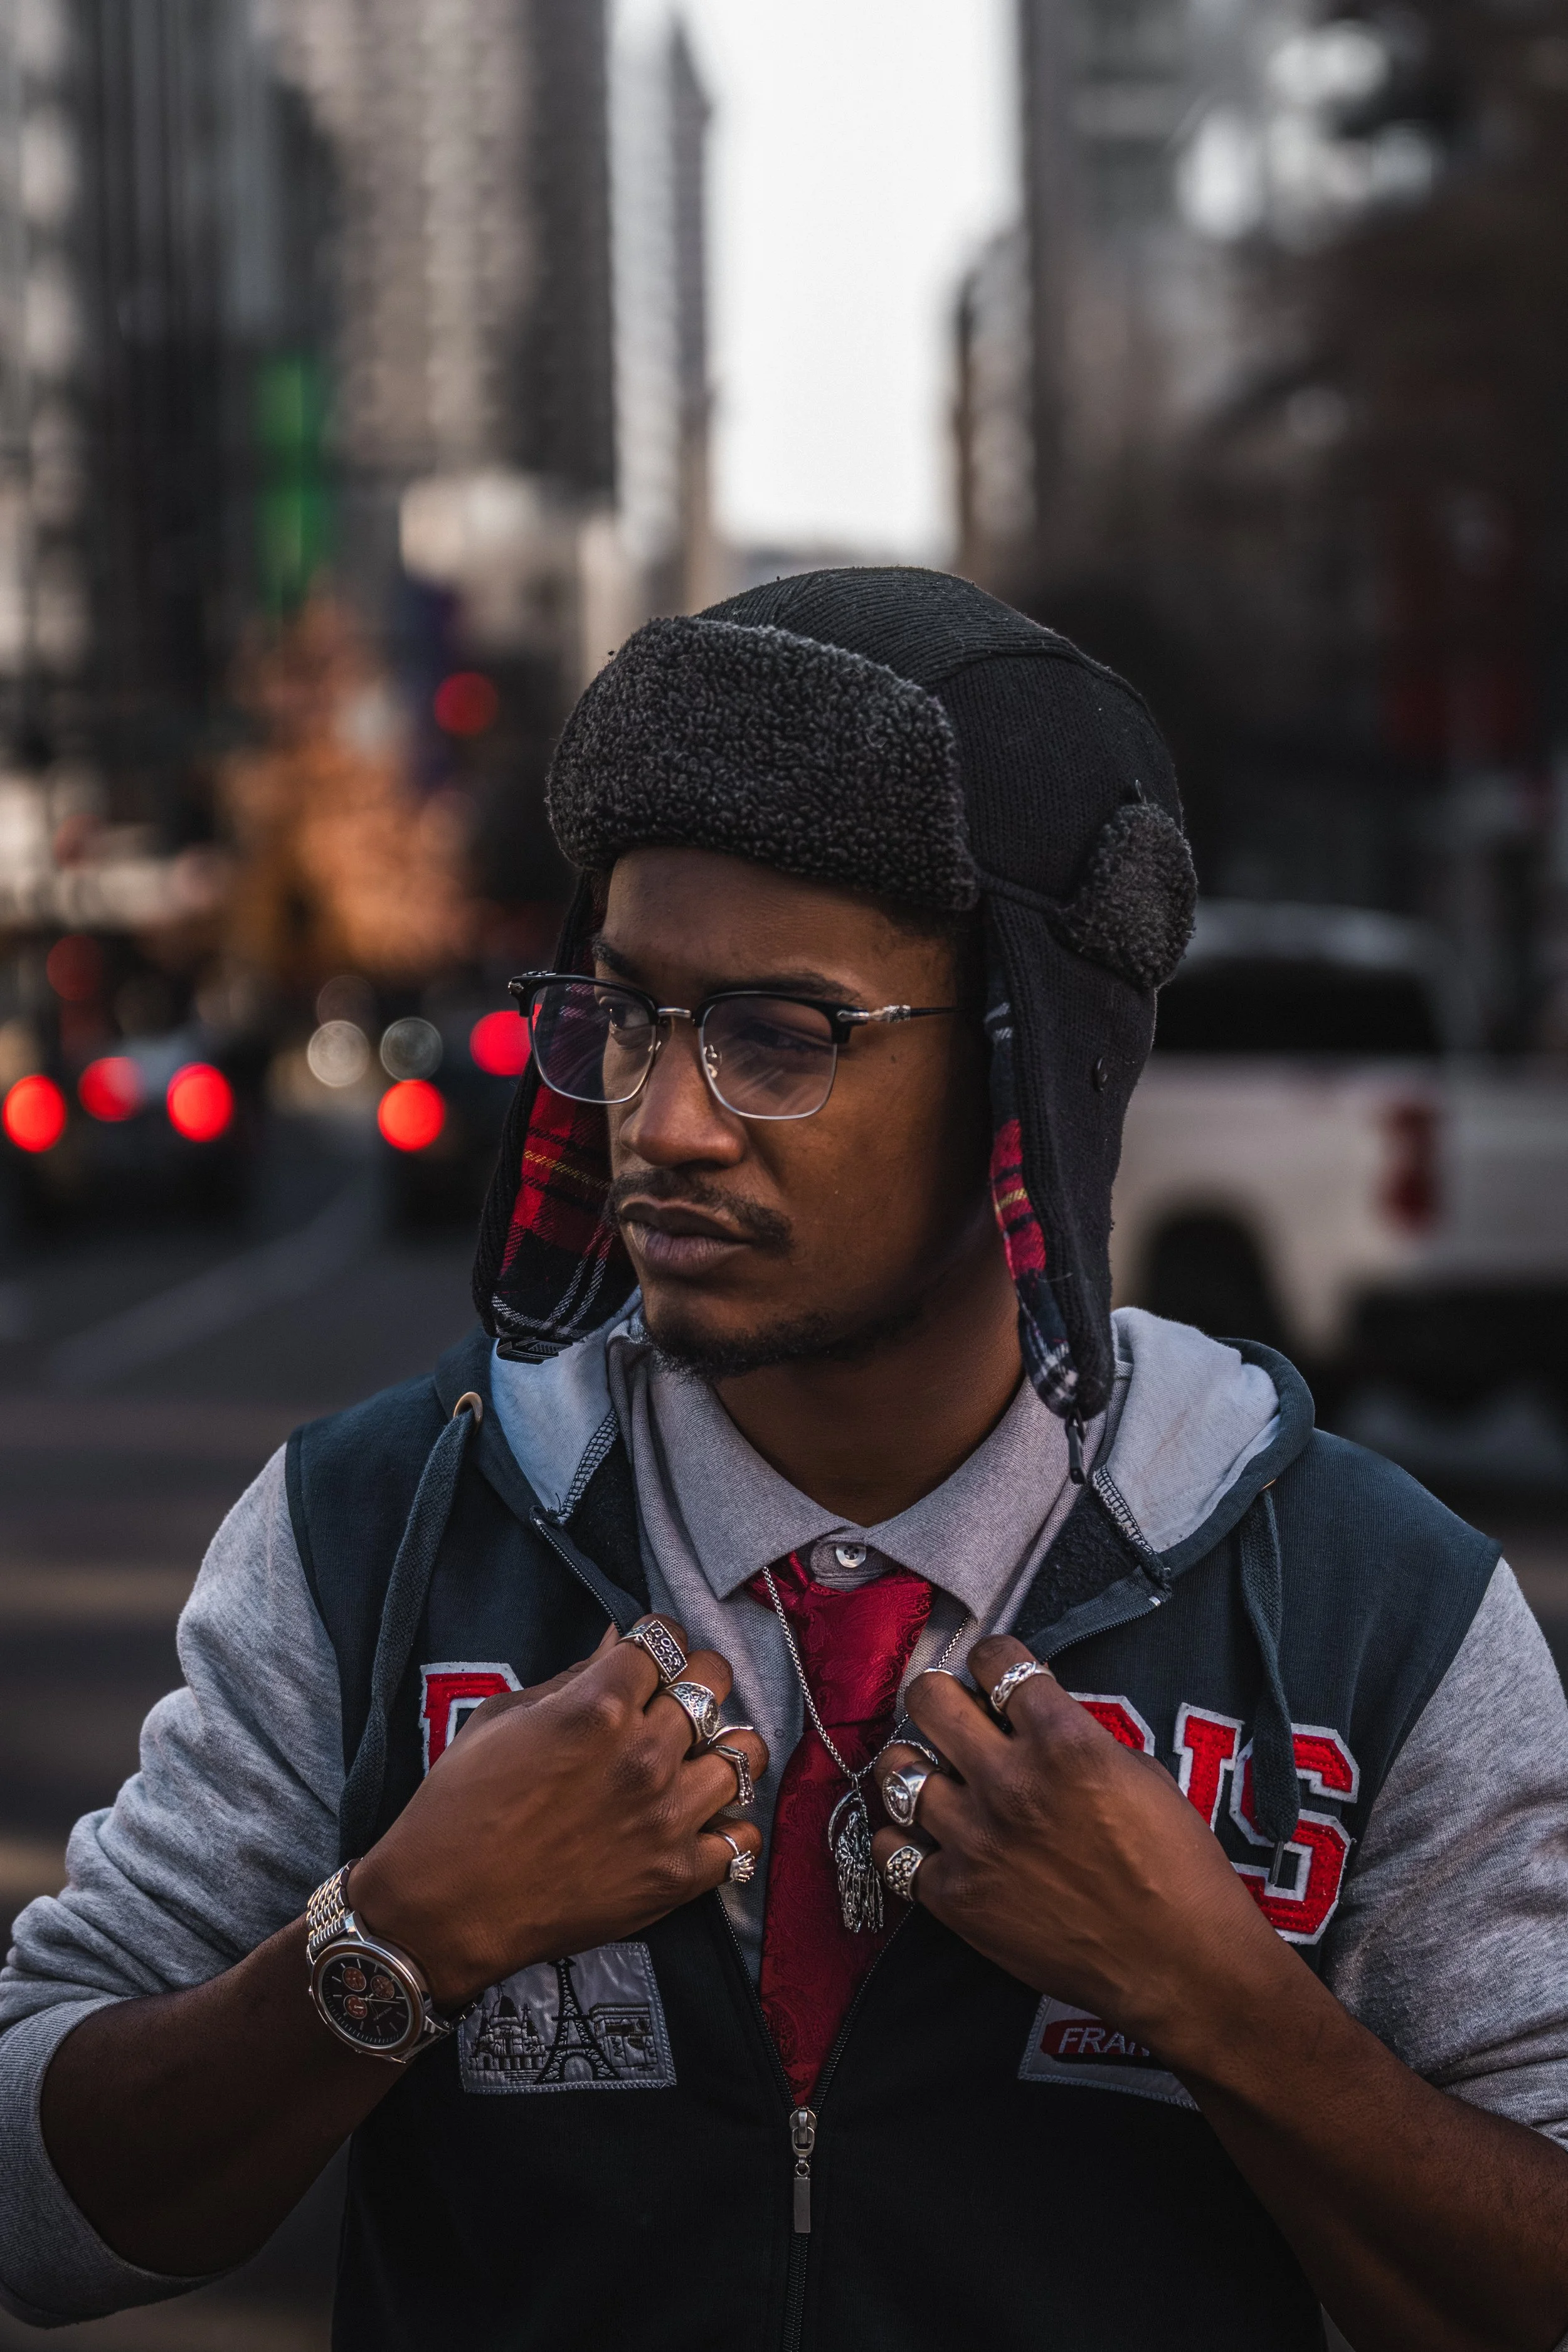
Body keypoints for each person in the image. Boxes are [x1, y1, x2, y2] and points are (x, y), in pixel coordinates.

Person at [3, 569, 1567, 2352]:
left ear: (1029, 1071)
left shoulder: (1373, 1614)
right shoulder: (371, 1535)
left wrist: (1218, 2001)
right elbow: (40, 2208)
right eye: (629, 1015)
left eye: (776, 1036)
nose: (659, 1121)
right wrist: (394, 1937)